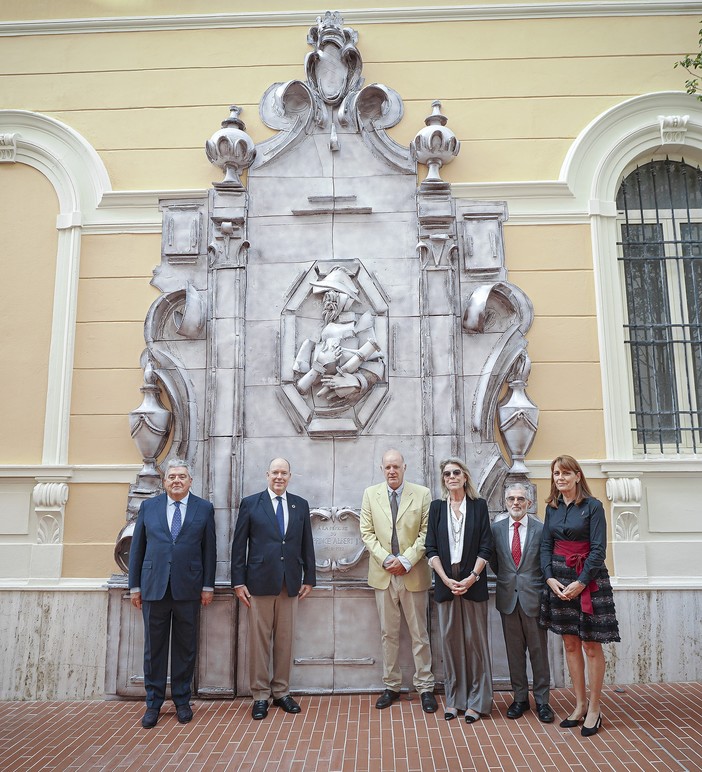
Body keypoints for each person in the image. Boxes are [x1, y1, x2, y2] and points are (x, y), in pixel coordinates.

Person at [129, 458, 216, 729]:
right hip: (154, 587)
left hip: (188, 588)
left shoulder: (204, 508)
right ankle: (153, 703)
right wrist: (135, 586)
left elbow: (209, 550)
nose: (176, 481)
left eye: (182, 477)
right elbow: (137, 549)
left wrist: (208, 586)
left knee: (185, 647)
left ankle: (181, 700)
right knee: (154, 649)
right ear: (164, 482)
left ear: (190, 481)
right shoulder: (149, 507)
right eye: (172, 477)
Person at [539, 455, 620, 738]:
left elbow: (599, 550)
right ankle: (580, 704)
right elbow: (545, 546)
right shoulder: (551, 507)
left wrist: (581, 582)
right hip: (559, 581)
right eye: (555, 473)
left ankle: (596, 708)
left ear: (577, 476)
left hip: (589, 579)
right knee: (570, 645)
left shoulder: (593, 506)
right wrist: (549, 577)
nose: (559, 478)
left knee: (591, 646)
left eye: (564, 473)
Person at [231, 457, 316, 720]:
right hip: (259, 583)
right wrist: (238, 581)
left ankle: (281, 692)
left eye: (284, 473)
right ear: (267, 475)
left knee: (284, 641)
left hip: (290, 582)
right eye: (275, 472)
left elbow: (306, 544)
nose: (279, 477)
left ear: (290, 476)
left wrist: (309, 577)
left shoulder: (299, 505)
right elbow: (238, 545)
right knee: (259, 642)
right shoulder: (251, 503)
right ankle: (259, 695)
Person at [360, 449, 438, 713]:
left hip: (413, 573)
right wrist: (386, 560)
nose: (391, 471)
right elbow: (367, 532)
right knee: (388, 634)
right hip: (383, 575)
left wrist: (405, 560)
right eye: (387, 467)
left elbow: (427, 532)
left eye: (396, 466)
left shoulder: (422, 494)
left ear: (404, 467)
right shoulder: (371, 494)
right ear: (382, 469)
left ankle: (425, 687)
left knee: (420, 634)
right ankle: (391, 685)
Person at [425, 457, 493, 723]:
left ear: (465, 477)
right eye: (446, 474)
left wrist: (473, 577)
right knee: (451, 645)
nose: (451, 477)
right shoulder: (437, 508)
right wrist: (443, 578)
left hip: (472, 583)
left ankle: (477, 702)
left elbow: (486, 546)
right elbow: (430, 547)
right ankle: (454, 700)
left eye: (455, 473)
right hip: (446, 583)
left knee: (475, 644)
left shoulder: (478, 507)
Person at [490, 484, 554, 723]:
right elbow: (495, 563)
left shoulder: (541, 529)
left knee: (538, 652)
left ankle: (543, 701)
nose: (515, 503)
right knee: (514, 653)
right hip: (508, 599)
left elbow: (545, 561)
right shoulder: (495, 530)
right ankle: (519, 699)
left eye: (520, 499)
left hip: (533, 599)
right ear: (505, 502)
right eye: (511, 499)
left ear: (529, 503)